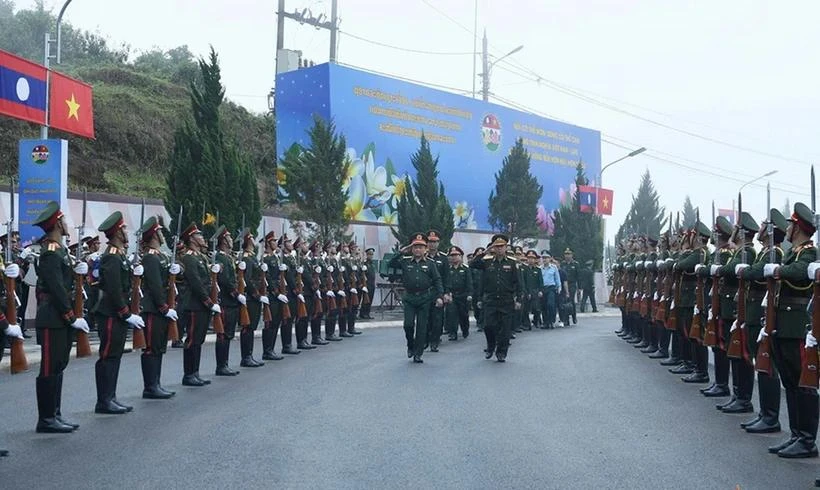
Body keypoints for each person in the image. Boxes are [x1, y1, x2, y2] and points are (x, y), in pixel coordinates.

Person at [766, 202, 818, 458]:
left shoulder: (808, 252)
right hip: (783, 324)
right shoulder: (793, 251)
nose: (786, 228)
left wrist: (777, 270)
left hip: (796, 325)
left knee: (803, 383)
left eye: (790, 224)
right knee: (790, 381)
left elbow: (799, 272)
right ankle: (796, 434)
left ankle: (807, 440)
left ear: (797, 227)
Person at [30, 202, 86, 433]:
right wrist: (70, 315)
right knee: (49, 367)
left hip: (59, 317)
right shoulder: (51, 253)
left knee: (59, 365)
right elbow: (56, 288)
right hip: (53, 317)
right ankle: (46, 419)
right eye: (63, 221)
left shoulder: (59, 251)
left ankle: (55, 412)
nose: (66, 225)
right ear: (56, 224)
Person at [737, 208, 786, 433]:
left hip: (764, 313)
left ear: (771, 230)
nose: (761, 227)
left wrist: (746, 270)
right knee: (760, 364)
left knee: (767, 366)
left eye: (765, 224)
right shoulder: (764, 252)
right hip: (755, 311)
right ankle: (764, 413)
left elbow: (755, 274)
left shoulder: (773, 253)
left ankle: (771, 417)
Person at [93, 211, 145, 413]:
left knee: (115, 356)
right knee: (108, 356)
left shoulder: (120, 255)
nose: (126, 231)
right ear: (116, 232)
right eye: (123, 228)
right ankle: (103, 400)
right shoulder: (112, 257)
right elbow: (114, 289)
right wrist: (125, 312)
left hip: (116, 314)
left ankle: (110, 397)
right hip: (110, 313)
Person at [137, 216, 179, 398]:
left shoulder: (161, 256)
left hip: (161, 309)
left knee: (160, 347)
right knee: (151, 348)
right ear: (154, 235)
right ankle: (150, 386)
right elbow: (154, 285)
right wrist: (163, 307)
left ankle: (156, 383)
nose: (162, 234)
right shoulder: (150, 258)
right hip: (153, 310)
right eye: (160, 231)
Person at [388, 233, 443, 363]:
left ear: (425, 249)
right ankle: (410, 345)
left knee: (422, 327)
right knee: (408, 325)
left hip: (424, 298)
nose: (418, 249)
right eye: (415, 247)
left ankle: (418, 353)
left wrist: (440, 296)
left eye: (421, 247)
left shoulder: (430, 263)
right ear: (412, 249)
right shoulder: (405, 261)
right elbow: (391, 263)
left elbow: (437, 280)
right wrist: (401, 252)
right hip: (409, 298)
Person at [470, 234, 523, 362]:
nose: (499, 249)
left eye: (502, 246)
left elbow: (518, 283)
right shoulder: (487, 262)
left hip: (506, 300)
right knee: (488, 326)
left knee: (505, 329)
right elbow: (472, 264)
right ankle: (491, 345)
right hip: (490, 299)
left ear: (506, 247)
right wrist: (485, 252)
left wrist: (519, 300)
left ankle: (501, 352)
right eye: (497, 246)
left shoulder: (512, 262)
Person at [179, 223, 219, 387]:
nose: (203, 238)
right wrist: (208, 302)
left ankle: (195, 372)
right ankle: (188, 375)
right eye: (199, 235)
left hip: (201, 305)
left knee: (199, 340)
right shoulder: (189, 258)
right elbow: (196, 283)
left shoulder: (201, 257)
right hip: (195, 304)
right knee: (192, 340)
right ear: (192, 239)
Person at [213, 225, 244, 375]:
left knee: (229, 334)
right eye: (229, 237)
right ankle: (221, 366)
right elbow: (225, 280)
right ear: (224, 241)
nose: (232, 240)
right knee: (223, 334)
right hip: (226, 300)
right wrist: (236, 293)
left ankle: (224, 364)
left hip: (231, 302)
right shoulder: (220, 258)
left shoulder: (228, 258)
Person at [261, 231, 286, 358]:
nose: (276, 243)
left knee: (276, 322)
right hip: (271, 295)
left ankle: (271, 349)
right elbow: (268, 278)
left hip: (279, 293)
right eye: (273, 241)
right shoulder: (265, 258)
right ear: (268, 243)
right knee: (269, 324)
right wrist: (276, 293)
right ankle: (267, 350)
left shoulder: (275, 257)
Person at [425, 229, 449, 352]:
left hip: (438, 292)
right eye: (429, 242)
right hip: (425, 292)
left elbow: (446, 277)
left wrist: (446, 293)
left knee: (437, 318)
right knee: (426, 317)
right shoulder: (423, 257)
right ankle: (426, 338)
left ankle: (434, 341)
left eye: (434, 242)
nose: (432, 244)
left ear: (438, 243)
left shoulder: (444, 258)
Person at [445, 245, 472, 341]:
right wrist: (447, 293)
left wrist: (469, 294)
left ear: (461, 256)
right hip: (452, 295)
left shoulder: (465, 268)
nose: (454, 257)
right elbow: (446, 282)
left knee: (463, 315)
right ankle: (453, 333)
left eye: (456, 255)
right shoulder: (448, 269)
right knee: (452, 314)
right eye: (452, 255)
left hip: (463, 295)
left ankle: (465, 329)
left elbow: (469, 282)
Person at [524, 250, 543, 330]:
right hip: (527, 290)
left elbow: (540, 282)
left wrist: (540, 291)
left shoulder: (538, 270)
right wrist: (526, 292)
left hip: (535, 291)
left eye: (532, 258)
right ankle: (527, 323)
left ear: (535, 260)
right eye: (529, 258)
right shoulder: (524, 269)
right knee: (526, 308)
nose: (531, 260)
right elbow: (523, 281)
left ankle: (536, 320)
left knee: (536, 308)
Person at [541, 252, 560, 329]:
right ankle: (546, 322)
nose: (545, 259)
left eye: (546, 258)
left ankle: (551, 321)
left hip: (551, 288)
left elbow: (557, 278)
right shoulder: (540, 268)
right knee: (544, 306)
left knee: (550, 304)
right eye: (543, 258)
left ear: (550, 259)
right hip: (543, 288)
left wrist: (559, 288)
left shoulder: (554, 267)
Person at [561, 248, 580, 325]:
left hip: (572, 284)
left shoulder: (575, 264)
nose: (567, 256)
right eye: (566, 254)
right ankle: (566, 319)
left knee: (571, 301)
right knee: (564, 301)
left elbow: (578, 276)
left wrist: (579, 287)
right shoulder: (562, 264)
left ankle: (573, 316)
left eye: (569, 254)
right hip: (564, 284)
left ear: (572, 255)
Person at [359, 247, 376, 320]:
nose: (371, 256)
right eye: (369, 254)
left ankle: (367, 313)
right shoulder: (365, 264)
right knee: (366, 299)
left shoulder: (372, 264)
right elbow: (362, 275)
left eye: (372, 254)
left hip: (372, 284)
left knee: (370, 299)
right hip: (367, 284)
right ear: (367, 255)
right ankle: (363, 313)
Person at [471, 247, 485, 332]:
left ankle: (482, 323)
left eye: (482, 252)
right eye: (478, 252)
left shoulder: (486, 263)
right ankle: (479, 320)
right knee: (476, 308)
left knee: (484, 308)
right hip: (475, 289)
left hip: (485, 289)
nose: (480, 253)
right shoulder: (475, 264)